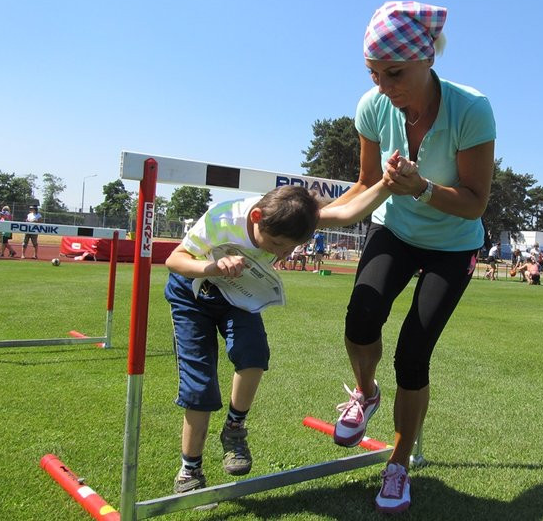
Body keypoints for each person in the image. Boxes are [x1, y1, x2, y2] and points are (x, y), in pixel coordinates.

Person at [325, 1, 496, 513]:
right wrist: (314, 217)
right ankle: (365, 392)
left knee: (412, 353)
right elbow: (363, 184)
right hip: (394, 229)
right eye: (373, 74)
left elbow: (475, 203)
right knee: (360, 318)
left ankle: (397, 461)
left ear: (426, 61)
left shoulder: (472, 109)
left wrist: (420, 187)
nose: (383, 86)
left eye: (394, 73)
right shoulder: (372, 107)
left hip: (453, 242)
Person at [163, 169, 413, 496]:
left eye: (289, 248)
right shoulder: (222, 219)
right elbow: (173, 259)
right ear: (256, 218)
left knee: (253, 355)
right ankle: (190, 469)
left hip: (239, 292)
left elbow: (346, 212)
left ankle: (234, 429)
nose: (281, 253)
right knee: (201, 384)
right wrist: (210, 267)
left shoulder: (293, 219)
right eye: (278, 245)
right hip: (193, 290)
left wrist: (386, 183)